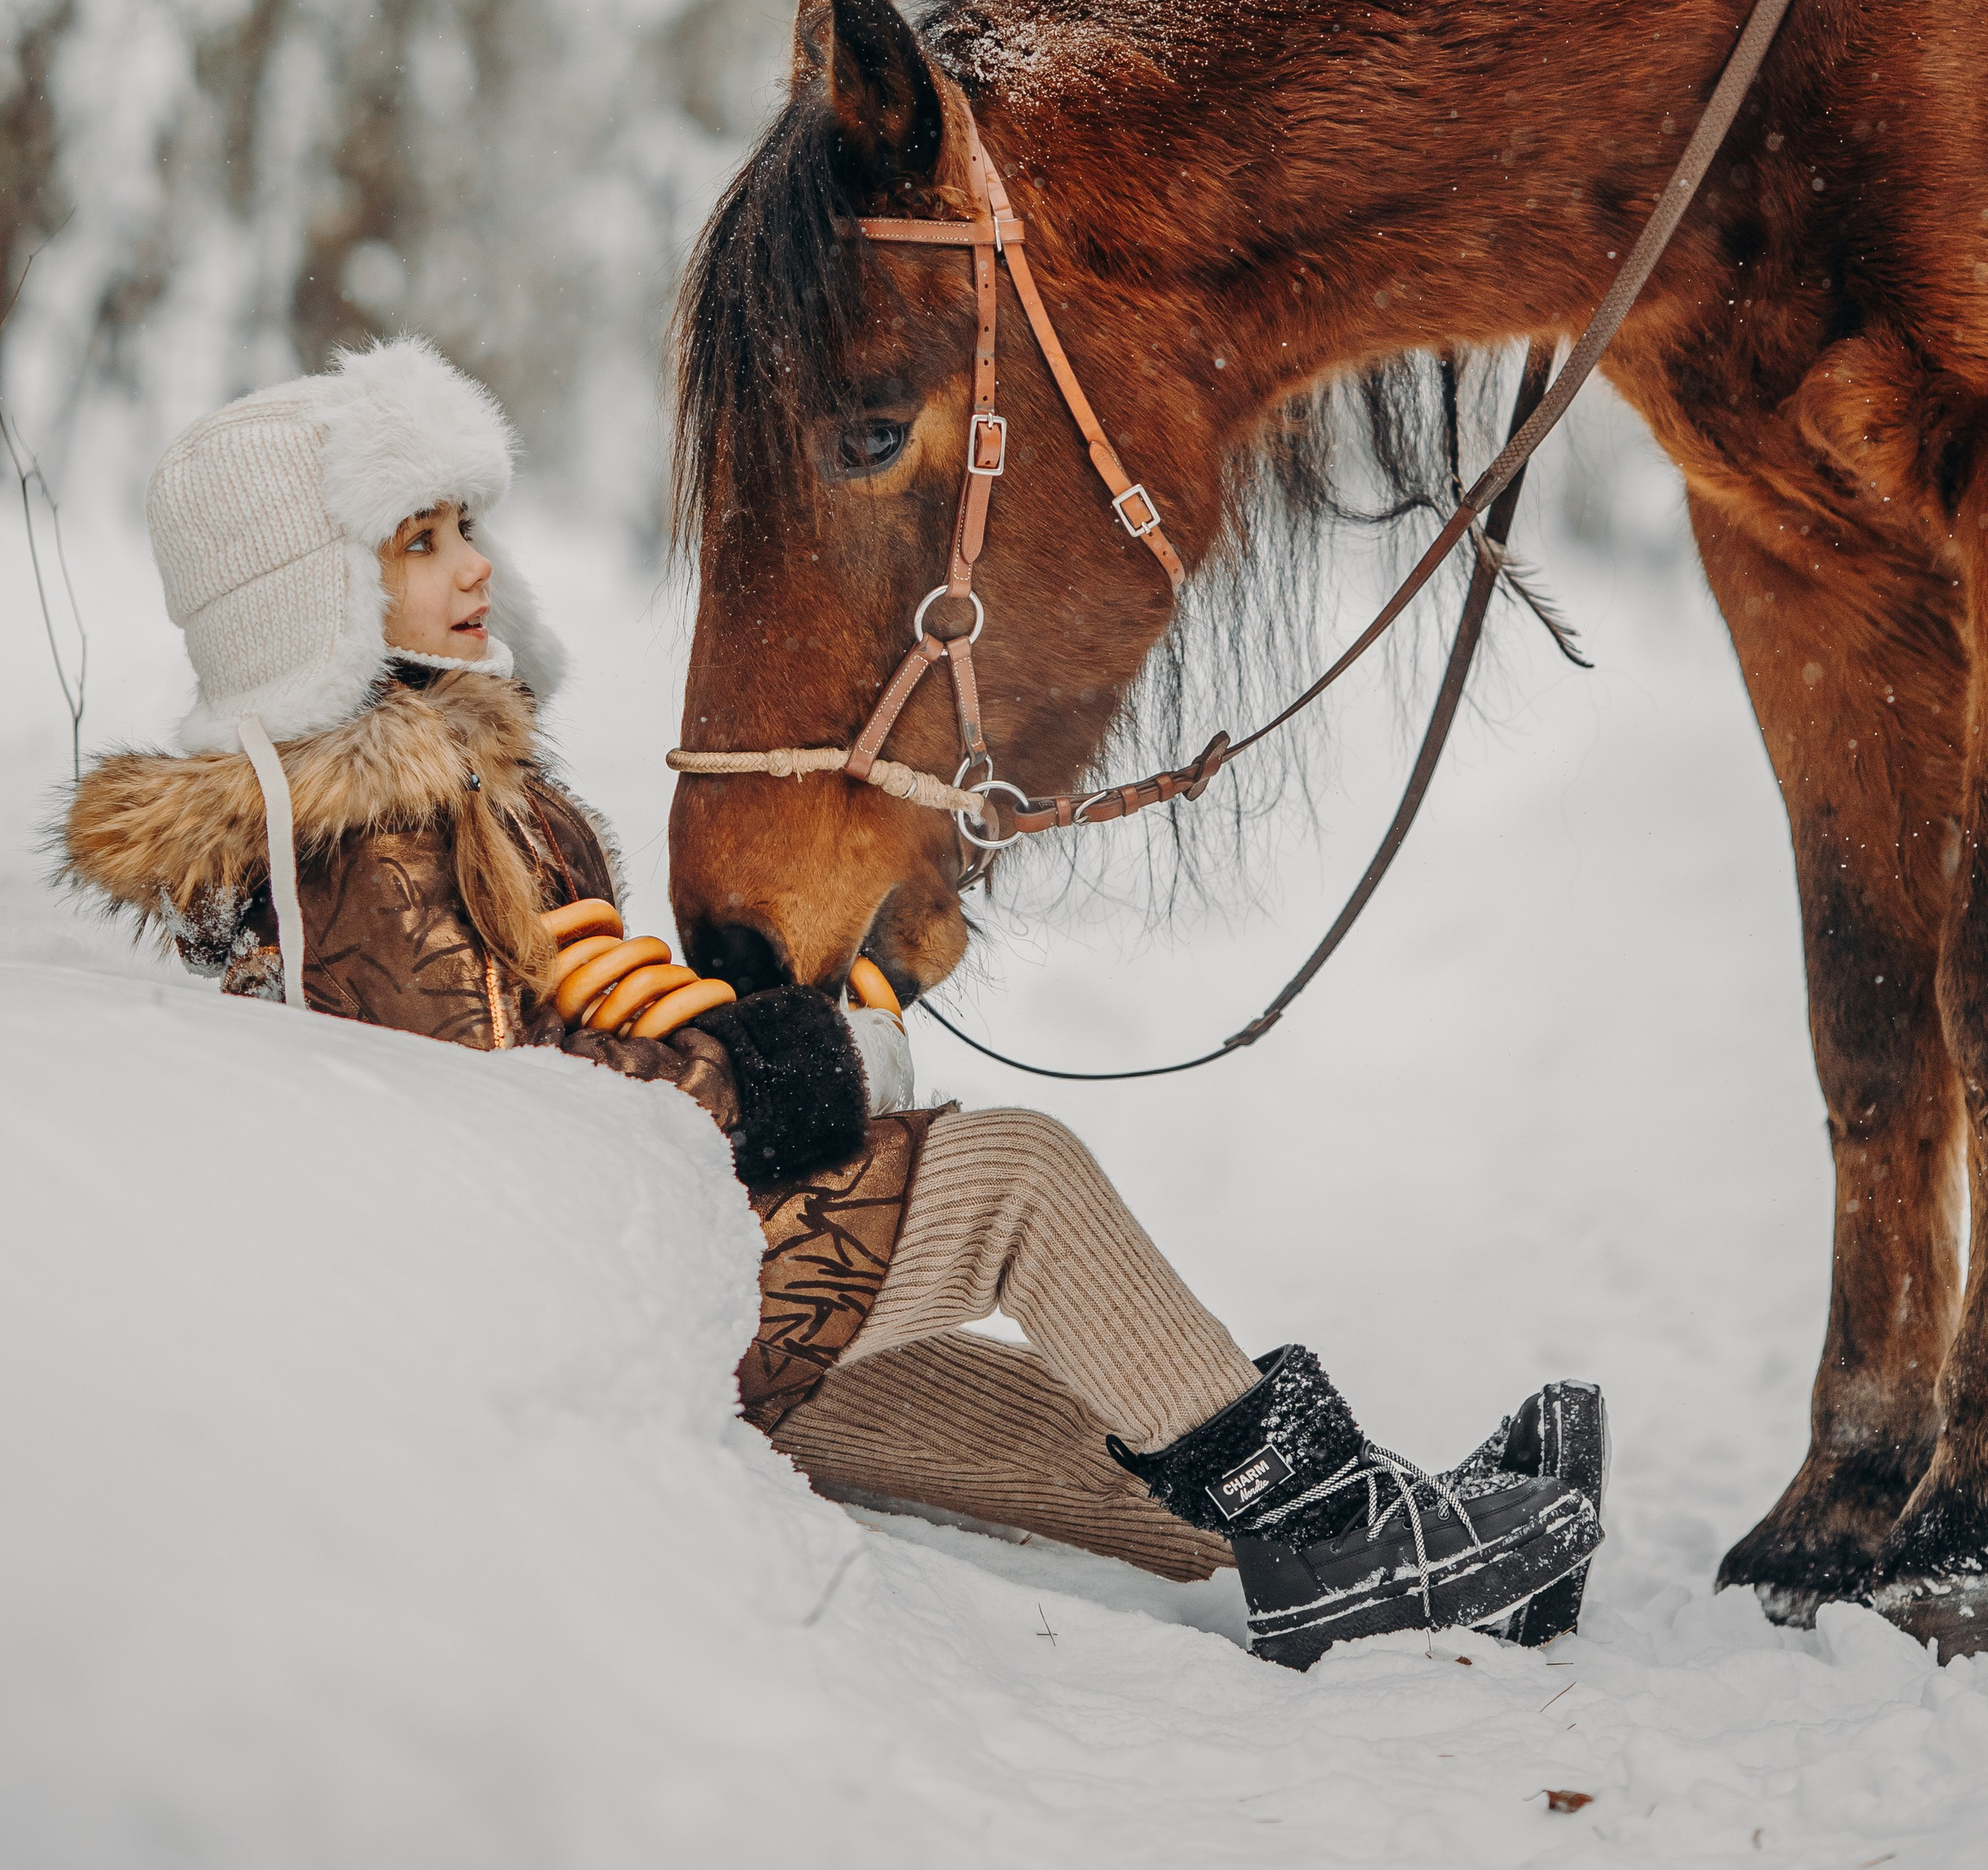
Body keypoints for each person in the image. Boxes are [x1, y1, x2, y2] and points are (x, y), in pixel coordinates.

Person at [61, 338, 1606, 1667]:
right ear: (314, 598)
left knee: (1036, 1414)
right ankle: (1332, 1532)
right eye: (416, 540)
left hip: (691, 1302)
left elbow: (593, 999)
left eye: (469, 524)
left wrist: (799, 1011)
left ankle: (1399, 1546)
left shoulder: (469, 777)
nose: (472, 565)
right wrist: (790, 1064)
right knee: (1012, 1176)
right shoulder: (361, 836)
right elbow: (508, 1128)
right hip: (618, 1279)